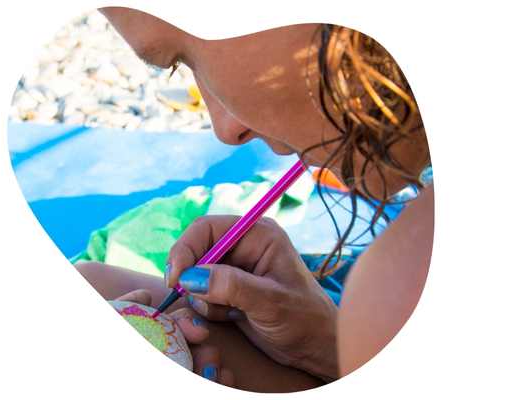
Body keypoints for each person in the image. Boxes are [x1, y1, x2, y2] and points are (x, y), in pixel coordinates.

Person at [76, 7, 433, 392]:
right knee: (91, 286)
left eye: (183, 57)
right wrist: (324, 343)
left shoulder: (400, 279)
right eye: (183, 68)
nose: (226, 130)